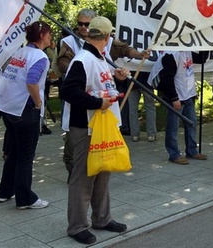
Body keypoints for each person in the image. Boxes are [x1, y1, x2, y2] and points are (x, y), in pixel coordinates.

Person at [60, 16, 129, 245]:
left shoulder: (100, 58)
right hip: (86, 127)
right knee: (83, 177)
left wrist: (117, 81)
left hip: (103, 125)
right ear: (107, 37)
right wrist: (97, 104)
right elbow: (68, 92)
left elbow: (102, 87)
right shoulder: (83, 59)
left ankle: (102, 218)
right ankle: (77, 226)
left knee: (103, 174)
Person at [57, 9, 148, 180]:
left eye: (86, 24)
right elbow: (65, 73)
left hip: (102, 118)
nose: (83, 27)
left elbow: (124, 49)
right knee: (80, 168)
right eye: (80, 24)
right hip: (85, 116)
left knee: (100, 176)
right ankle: (72, 169)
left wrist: (118, 73)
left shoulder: (102, 50)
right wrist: (97, 100)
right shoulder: (73, 46)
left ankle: (95, 192)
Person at [0, 21, 52, 209]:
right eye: (49, 34)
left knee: (14, 152)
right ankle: (25, 198)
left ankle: (5, 191)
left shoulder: (20, 52)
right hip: (25, 110)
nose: (51, 37)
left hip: (10, 109)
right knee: (25, 156)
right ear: (42, 36)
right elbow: (32, 82)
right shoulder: (40, 57)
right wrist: (39, 103)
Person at [153, 50, 208, 165]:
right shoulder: (170, 54)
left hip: (188, 94)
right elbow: (167, 78)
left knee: (191, 123)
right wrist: (174, 98)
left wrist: (205, 46)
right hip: (176, 95)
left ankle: (192, 150)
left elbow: (201, 59)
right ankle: (174, 154)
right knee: (173, 127)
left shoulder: (187, 51)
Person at [128, 71, 157, 142]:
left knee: (133, 109)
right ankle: (151, 134)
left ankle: (136, 134)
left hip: (134, 81)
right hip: (143, 82)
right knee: (149, 108)